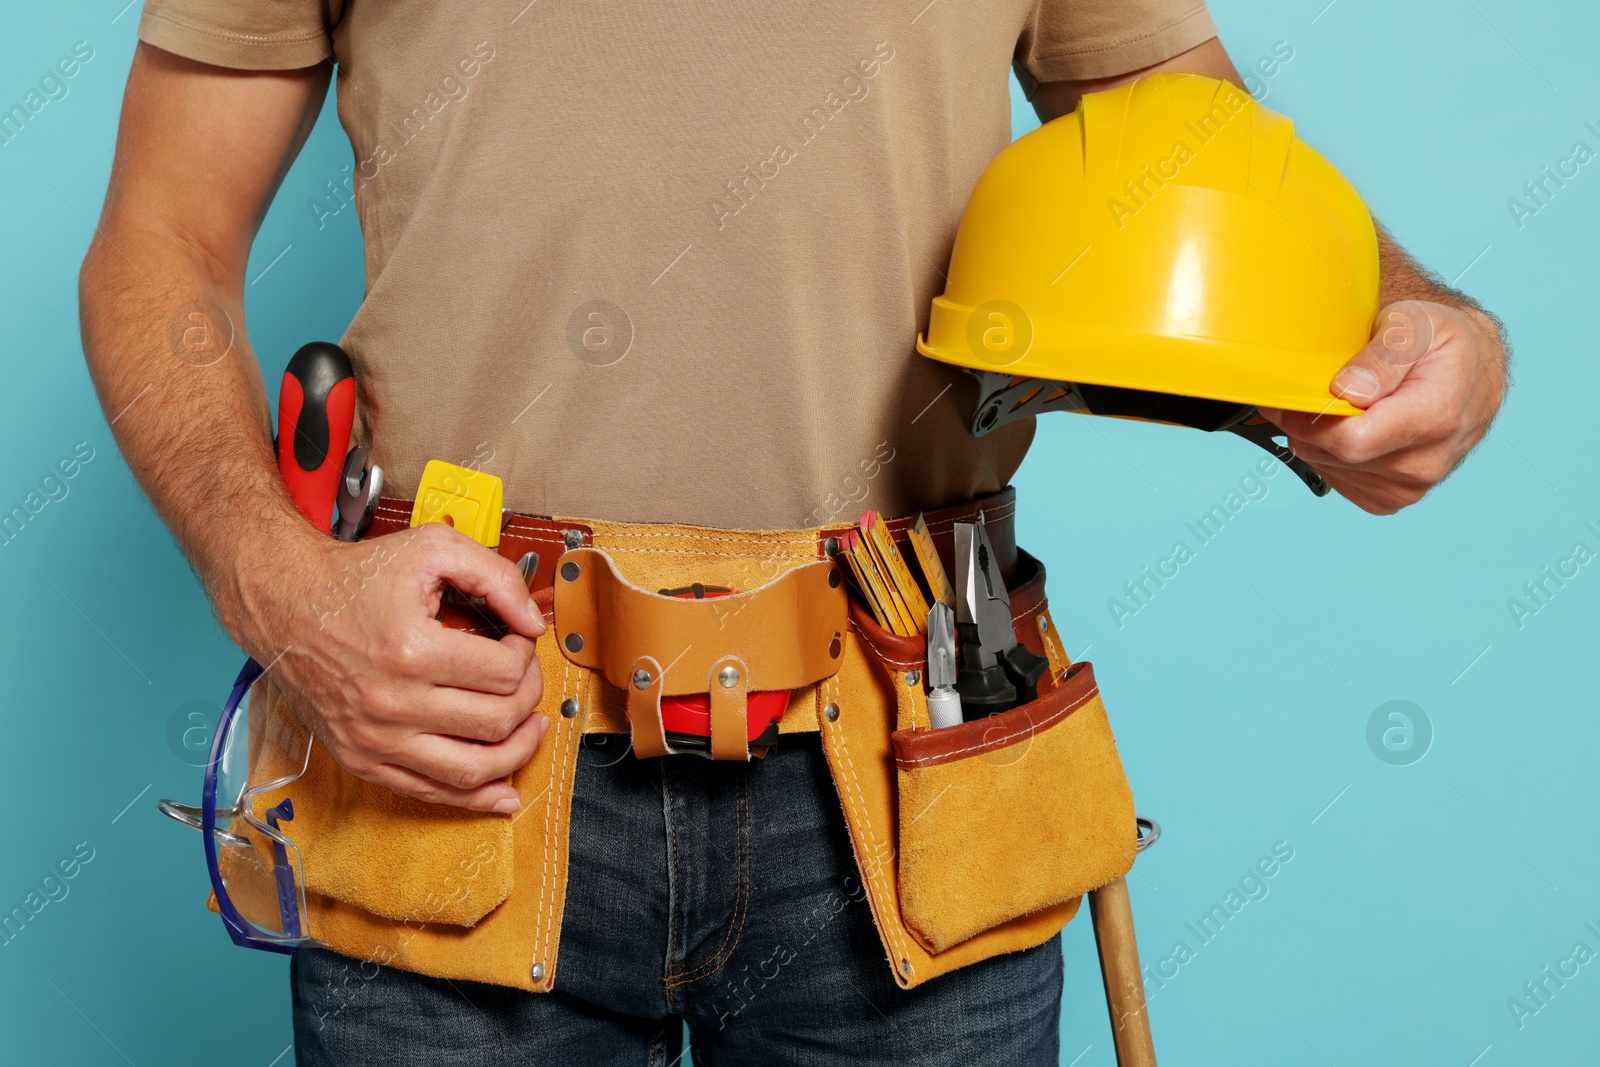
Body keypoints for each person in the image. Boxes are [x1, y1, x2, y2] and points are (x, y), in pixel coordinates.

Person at [81, 2, 1506, 1063]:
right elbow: (163, 236)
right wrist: (280, 585)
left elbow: (1203, 152)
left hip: (915, 741)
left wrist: (1408, 312)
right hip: (463, 752)